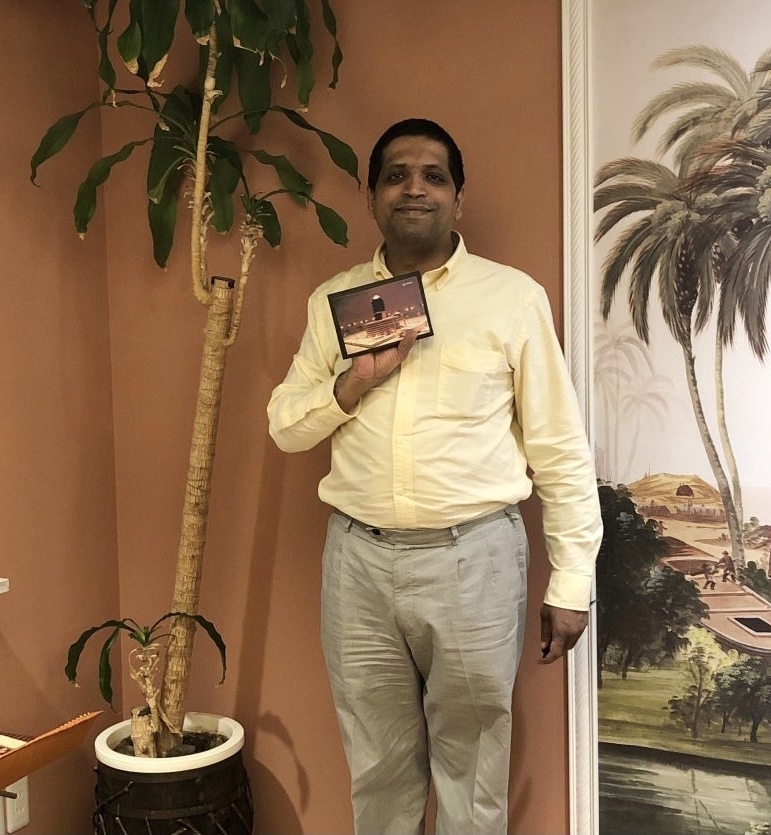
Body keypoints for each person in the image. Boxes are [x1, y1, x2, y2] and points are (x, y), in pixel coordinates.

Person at [267, 118, 601, 835]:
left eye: (433, 176)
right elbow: (286, 426)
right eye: (395, 175)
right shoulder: (334, 302)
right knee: (378, 771)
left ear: (458, 198)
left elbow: (560, 447)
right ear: (371, 197)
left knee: (473, 776)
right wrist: (355, 381)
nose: (413, 188)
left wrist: (572, 580)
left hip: (474, 559)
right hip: (357, 564)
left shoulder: (512, 297)